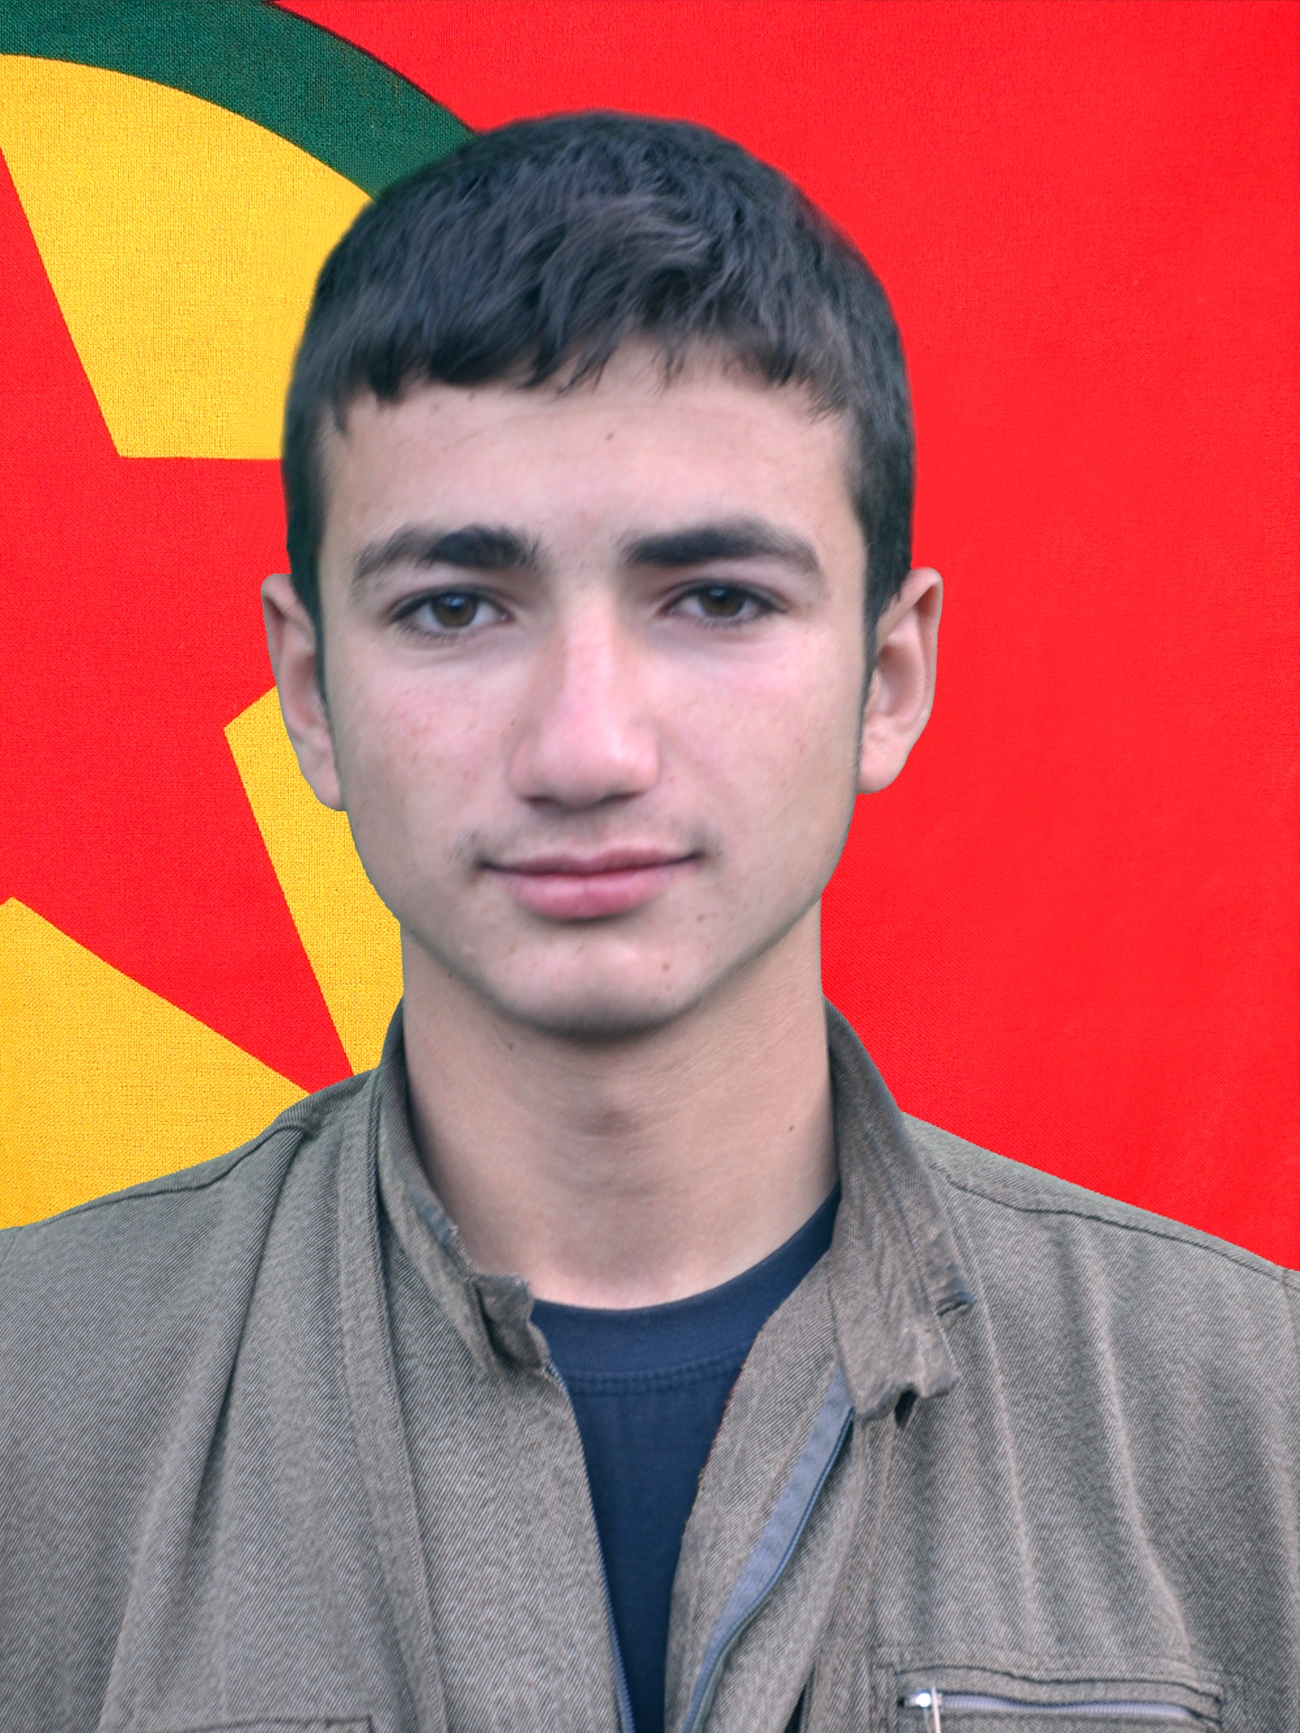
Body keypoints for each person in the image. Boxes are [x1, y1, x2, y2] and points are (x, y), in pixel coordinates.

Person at [1, 112, 1295, 1733]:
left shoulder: (1252, 1421)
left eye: (718, 599)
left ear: (889, 677)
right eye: (454, 607)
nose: (587, 748)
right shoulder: (33, 1414)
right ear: (311, 691)